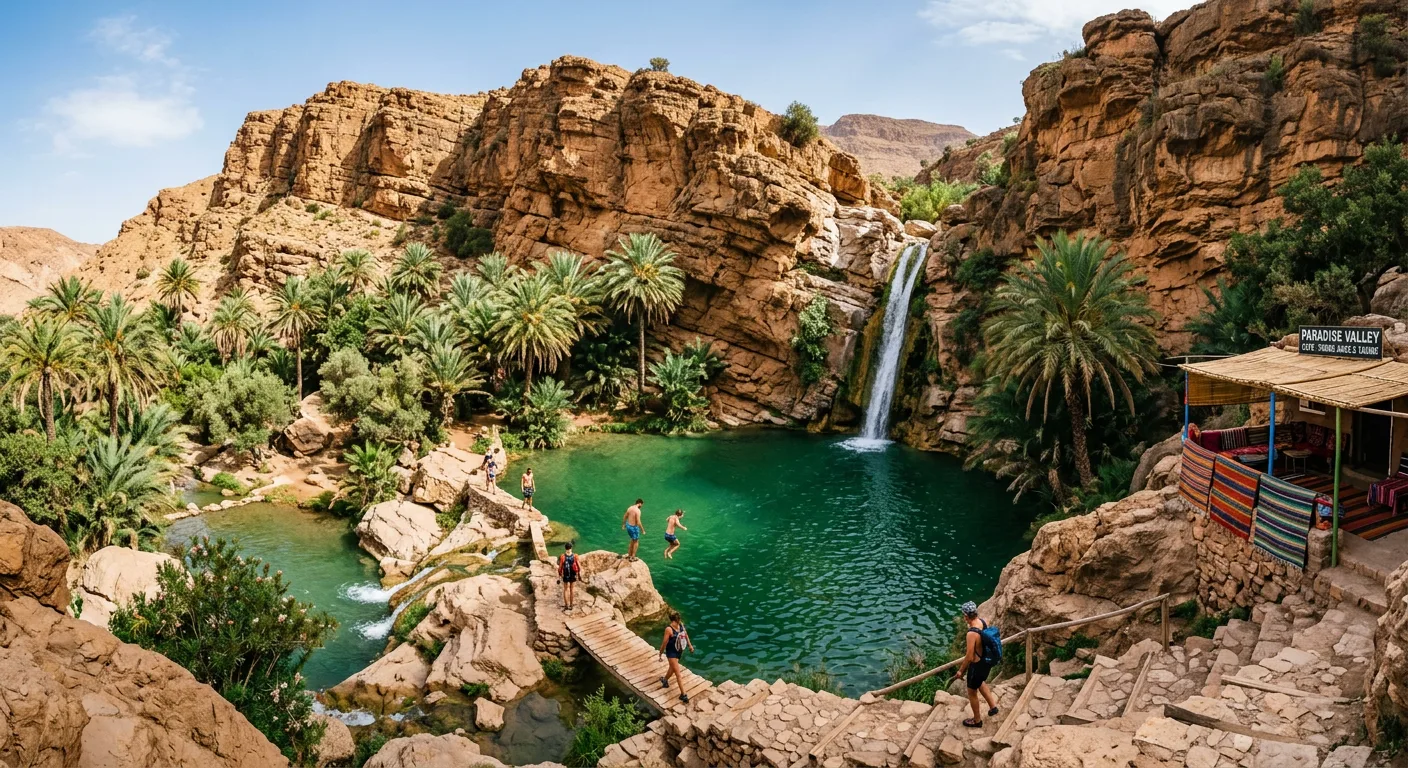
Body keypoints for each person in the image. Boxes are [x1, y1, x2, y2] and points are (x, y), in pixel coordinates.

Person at [957, 601, 1001, 728]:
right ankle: (993, 707)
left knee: (972, 692)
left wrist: (960, 671)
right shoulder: (983, 622)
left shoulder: (971, 634)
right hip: (986, 662)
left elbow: (969, 656)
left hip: (977, 666)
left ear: (966, 616)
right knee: (981, 682)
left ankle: (977, 720)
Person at [657, 611, 695, 703]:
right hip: (678, 651)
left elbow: (664, 643)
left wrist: (660, 653)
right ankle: (665, 681)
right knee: (673, 668)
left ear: (671, 619)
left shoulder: (669, 629)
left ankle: (683, 695)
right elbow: (686, 635)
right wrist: (690, 646)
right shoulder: (681, 625)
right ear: (678, 619)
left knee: (677, 673)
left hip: (672, 653)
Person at [557, 541, 580, 612]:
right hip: (573, 574)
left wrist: (560, 575)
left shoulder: (562, 556)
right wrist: (579, 575)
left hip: (566, 574)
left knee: (565, 589)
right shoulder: (575, 556)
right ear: (571, 548)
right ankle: (571, 605)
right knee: (572, 589)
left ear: (565, 548)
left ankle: (566, 605)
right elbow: (579, 566)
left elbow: (560, 568)